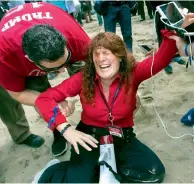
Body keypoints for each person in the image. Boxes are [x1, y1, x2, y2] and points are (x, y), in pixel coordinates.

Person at [34, 29, 178, 183]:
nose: (101, 58)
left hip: (122, 134)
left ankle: (102, 167)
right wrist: (66, 129)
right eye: (96, 54)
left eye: (107, 52)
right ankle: (58, 168)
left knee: (153, 174)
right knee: (77, 181)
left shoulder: (133, 73)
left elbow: (162, 58)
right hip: (89, 136)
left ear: (120, 57)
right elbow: (43, 99)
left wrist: (171, 31)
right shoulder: (84, 77)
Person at [0, 2, 90, 157]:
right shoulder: (3, 56)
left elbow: (104, 63)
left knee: (90, 78)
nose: (62, 71)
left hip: (55, 24)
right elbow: (18, 94)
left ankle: (96, 117)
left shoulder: (75, 36)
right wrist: (52, 101)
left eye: (65, 62)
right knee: (10, 98)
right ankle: (25, 135)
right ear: (30, 60)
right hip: (10, 47)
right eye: (53, 69)